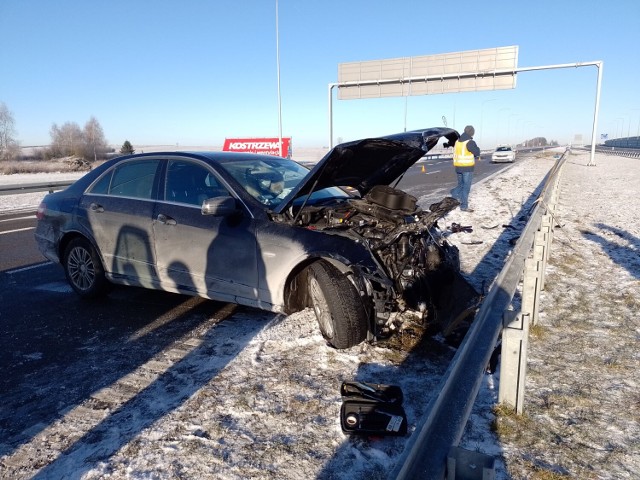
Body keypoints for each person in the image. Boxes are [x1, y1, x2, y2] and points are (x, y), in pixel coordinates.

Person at [450, 125, 481, 212]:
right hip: (467, 168)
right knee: (466, 187)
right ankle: (464, 206)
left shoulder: (457, 142)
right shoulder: (470, 142)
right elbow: (477, 153)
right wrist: (477, 149)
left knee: (461, 185)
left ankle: (453, 196)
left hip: (458, 167)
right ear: (471, 132)